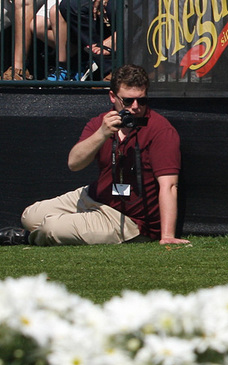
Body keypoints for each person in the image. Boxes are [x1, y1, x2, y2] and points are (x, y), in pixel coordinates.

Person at [4, 65, 183, 246]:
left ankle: (26, 238)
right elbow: (74, 164)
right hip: (96, 197)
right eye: (128, 101)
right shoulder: (101, 122)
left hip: (130, 219)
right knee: (30, 215)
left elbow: (169, 186)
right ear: (113, 97)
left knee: (51, 227)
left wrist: (167, 235)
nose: (136, 107)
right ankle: (77, 224)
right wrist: (101, 134)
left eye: (142, 101)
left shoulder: (160, 130)